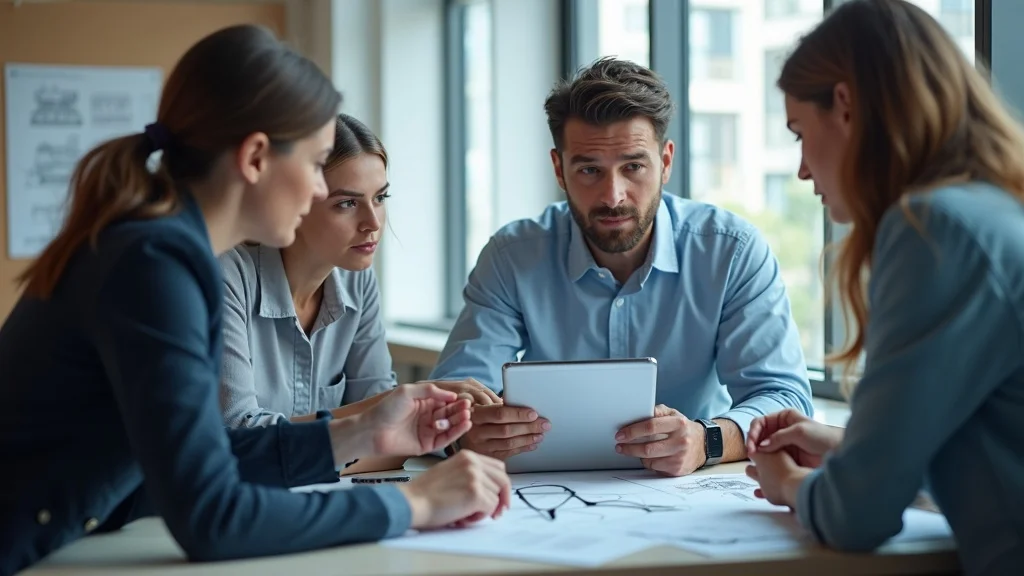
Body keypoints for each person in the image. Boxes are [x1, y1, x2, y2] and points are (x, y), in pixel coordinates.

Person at [0, 24, 509, 576]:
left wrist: (366, 432)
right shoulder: (154, 267)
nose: (320, 191)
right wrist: (417, 504)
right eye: (316, 165)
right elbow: (213, 519)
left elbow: (207, 462)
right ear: (256, 157)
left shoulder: (163, 248)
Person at [742, 2, 1024, 574]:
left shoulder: (935, 228)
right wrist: (849, 446)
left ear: (844, 105)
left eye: (800, 133)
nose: (801, 169)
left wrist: (787, 484)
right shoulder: (991, 210)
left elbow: (855, 516)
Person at [430, 57, 813, 477]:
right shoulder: (512, 255)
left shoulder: (731, 252)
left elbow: (784, 396)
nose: (613, 196)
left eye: (633, 167)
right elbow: (452, 397)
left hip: (692, 491)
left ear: (665, 162)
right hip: (547, 495)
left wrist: (707, 441)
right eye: (590, 169)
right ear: (559, 168)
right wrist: (469, 432)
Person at [218, 113, 499, 431]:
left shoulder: (357, 279)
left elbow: (390, 428)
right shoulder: (227, 276)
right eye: (347, 203)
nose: (374, 223)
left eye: (380, 198)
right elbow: (239, 434)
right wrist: (391, 408)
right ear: (295, 200)